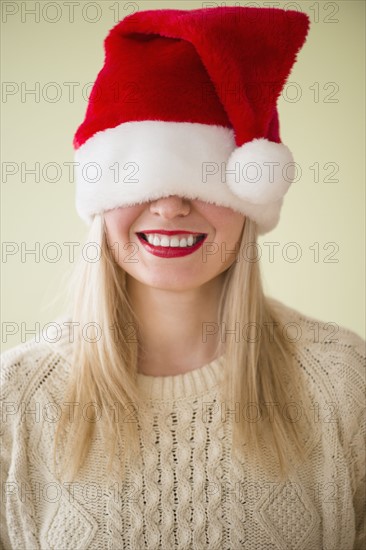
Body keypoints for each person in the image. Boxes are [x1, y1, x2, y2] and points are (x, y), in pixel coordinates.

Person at [1, 6, 365, 550]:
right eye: (142, 176)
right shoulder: (17, 397)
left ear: (248, 199)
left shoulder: (343, 381)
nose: (170, 206)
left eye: (203, 178)